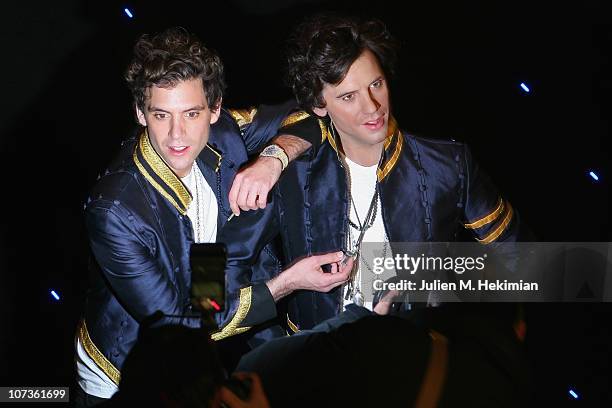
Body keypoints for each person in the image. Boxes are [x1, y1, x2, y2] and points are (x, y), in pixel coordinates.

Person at [219, 14, 523, 334]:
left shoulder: (448, 164)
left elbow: (523, 262)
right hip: (318, 365)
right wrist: (285, 285)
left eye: (375, 84)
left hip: (417, 358)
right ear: (320, 105)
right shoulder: (286, 175)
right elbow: (208, 295)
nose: (372, 107)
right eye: (349, 96)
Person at [75, 27, 322, 405]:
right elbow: (179, 326)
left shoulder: (224, 131)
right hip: (125, 373)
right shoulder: (113, 212)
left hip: (200, 323)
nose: (178, 135)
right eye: (161, 115)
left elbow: (309, 115)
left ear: (215, 108)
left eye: (192, 113)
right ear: (141, 113)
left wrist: (273, 159)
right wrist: (286, 283)